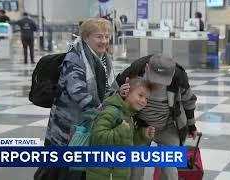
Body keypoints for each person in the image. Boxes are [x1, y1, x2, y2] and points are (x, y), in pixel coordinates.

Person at [34, 17, 121, 180]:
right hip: (67, 125)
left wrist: (118, 95)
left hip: (86, 122)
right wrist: (103, 111)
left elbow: (109, 87)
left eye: (107, 36)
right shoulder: (75, 58)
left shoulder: (103, 59)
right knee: (59, 167)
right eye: (99, 36)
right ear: (86, 37)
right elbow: (77, 91)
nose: (104, 41)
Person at [115, 54, 198, 180]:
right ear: (147, 68)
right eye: (155, 79)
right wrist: (120, 93)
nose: (158, 84)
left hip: (168, 127)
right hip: (140, 127)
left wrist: (191, 125)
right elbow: (113, 92)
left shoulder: (179, 76)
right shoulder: (135, 70)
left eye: (163, 81)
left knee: (170, 171)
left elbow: (189, 101)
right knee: (134, 170)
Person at [87, 77, 156, 180]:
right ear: (127, 92)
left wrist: (142, 135)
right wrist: (121, 131)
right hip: (104, 174)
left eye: (146, 98)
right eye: (140, 95)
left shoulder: (128, 115)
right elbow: (97, 138)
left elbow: (127, 143)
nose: (143, 101)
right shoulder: (111, 111)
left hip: (117, 174)